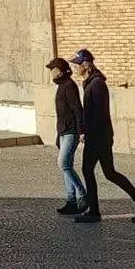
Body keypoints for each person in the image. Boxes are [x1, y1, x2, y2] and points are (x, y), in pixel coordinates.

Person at [70, 48, 135, 224]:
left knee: (91, 171)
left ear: (86, 64)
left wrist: (92, 135)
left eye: (77, 65)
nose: (75, 68)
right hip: (98, 136)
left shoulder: (96, 84)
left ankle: (95, 212)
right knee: (109, 173)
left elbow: (100, 114)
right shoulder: (91, 83)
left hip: (98, 137)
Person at [45, 56, 86, 215]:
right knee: (66, 165)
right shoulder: (61, 87)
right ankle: (71, 201)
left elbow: (77, 109)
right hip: (63, 131)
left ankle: (82, 194)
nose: (51, 73)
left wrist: (81, 130)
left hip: (71, 131)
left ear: (60, 71)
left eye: (52, 69)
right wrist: (58, 135)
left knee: (63, 164)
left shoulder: (69, 86)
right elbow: (61, 113)